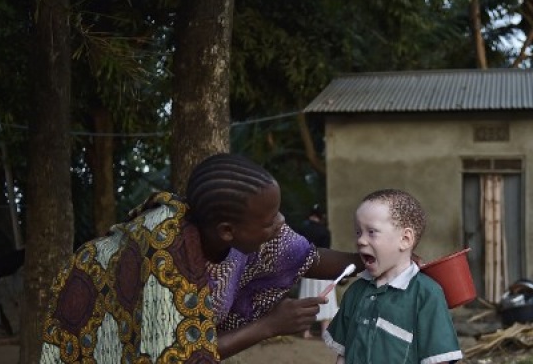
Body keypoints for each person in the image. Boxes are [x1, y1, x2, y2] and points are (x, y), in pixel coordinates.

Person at [39, 153, 362, 363]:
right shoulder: (166, 264)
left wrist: (373, 259)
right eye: (267, 221)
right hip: (93, 329)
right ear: (227, 231)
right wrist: (270, 325)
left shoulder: (237, 234)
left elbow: (306, 256)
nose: (279, 224)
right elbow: (177, 355)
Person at [323, 189, 462, 364]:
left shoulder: (427, 294)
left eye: (371, 232)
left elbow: (439, 360)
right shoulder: (355, 292)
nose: (360, 240)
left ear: (405, 239)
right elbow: (343, 355)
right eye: (358, 232)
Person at [294, 205, 338, 338]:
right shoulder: (324, 231)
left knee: (308, 297)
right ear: (321, 216)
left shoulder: (302, 229)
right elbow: (327, 251)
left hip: (307, 268)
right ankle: (325, 330)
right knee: (325, 297)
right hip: (323, 268)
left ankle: (306, 331)